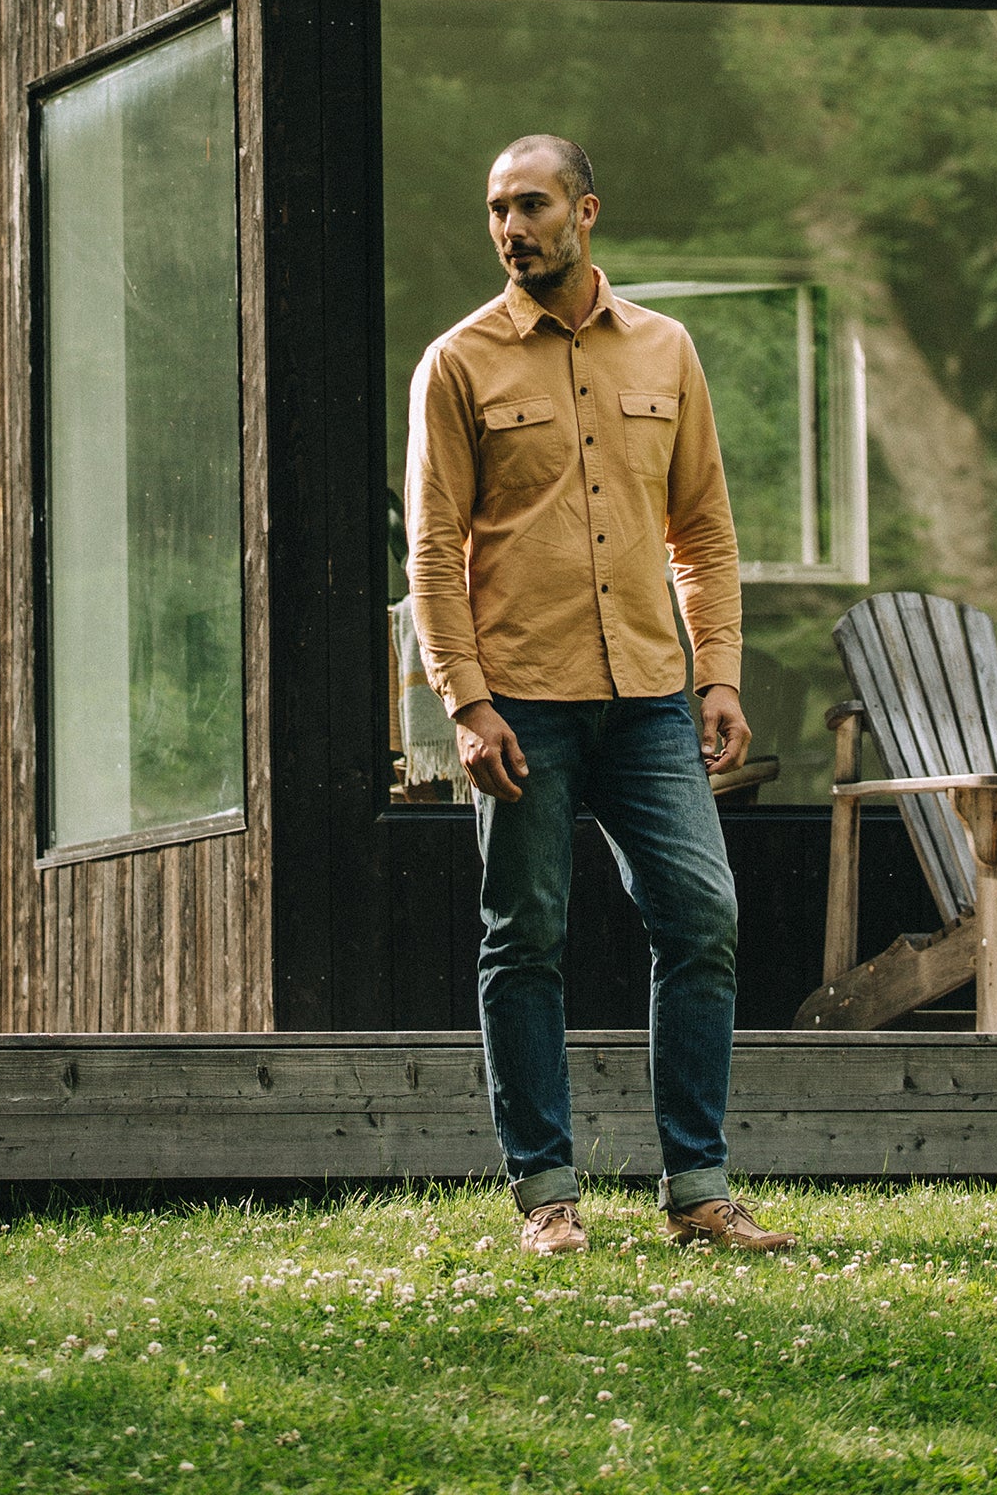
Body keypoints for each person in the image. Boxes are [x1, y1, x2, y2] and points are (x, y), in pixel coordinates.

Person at [404, 133, 795, 1257]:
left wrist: (716, 672)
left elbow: (703, 530)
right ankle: (544, 1195)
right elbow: (432, 554)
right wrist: (465, 702)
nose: (509, 228)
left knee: (701, 916)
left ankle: (699, 1188)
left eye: (529, 205)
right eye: (493, 209)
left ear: (586, 211)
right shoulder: (458, 362)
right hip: (519, 699)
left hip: (651, 697)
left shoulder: (666, 351)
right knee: (523, 934)